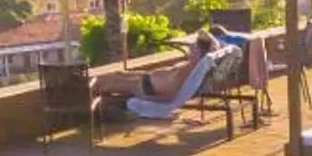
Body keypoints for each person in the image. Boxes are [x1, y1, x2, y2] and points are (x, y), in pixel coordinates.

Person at [89, 29, 220, 100]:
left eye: (194, 47)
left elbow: (172, 93)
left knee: (102, 84)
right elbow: (209, 39)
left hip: (148, 87)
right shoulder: (202, 63)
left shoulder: (195, 65)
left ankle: (85, 111)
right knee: (118, 74)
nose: (190, 48)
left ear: (199, 52)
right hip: (148, 80)